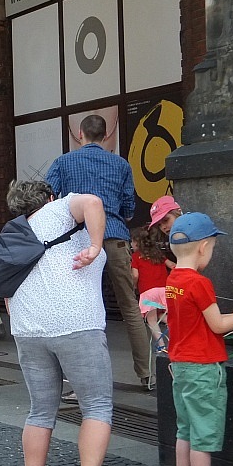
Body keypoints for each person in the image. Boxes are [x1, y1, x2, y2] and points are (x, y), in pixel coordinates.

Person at [3, 180, 115, 466]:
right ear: (49, 197)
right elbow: (93, 199)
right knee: (96, 405)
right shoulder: (58, 210)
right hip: (75, 323)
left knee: (40, 409)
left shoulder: (15, 233)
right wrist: (95, 246)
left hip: (27, 328)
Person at [46, 114, 153, 390]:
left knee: (75, 307)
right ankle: (146, 374)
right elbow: (129, 207)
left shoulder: (63, 162)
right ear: (106, 136)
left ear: (80, 134)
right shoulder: (120, 164)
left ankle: (74, 379)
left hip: (80, 239)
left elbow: (49, 200)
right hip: (115, 237)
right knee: (130, 306)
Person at [165, 213, 233, 466]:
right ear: (203, 247)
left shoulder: (173, 280)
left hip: (181, 367)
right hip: (203, 369)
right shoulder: (199, 283)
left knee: (184, 431)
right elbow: (218, 325)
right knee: (203, 436)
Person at [131, 226, 174, 354]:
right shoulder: (158, 254)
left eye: (132, 241)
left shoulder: (136, 256)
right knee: (164, 316)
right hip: (164, 290)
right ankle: (176, 340)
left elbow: (135, 275)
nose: (131, 244)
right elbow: (172, 265)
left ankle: (161, 346)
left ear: (137, 242)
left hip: (148, 293)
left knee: (152, 320)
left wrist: (134, 286)